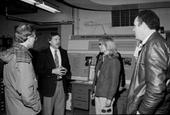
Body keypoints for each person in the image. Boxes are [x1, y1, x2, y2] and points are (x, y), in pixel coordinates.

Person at [126, 10, 170, 114]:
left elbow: (156, 89)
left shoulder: (154, 44)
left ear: (143, 25)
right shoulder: (155, 42)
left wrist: (142, 112)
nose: (133, 29)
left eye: (135, 25)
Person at [0, 23, 41, 115]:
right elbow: (26, 92)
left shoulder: (11, 52)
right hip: (24, 109)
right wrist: (36, 105)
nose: (35, 40)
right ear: (29, 37)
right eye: (35, 37)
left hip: (13, 105)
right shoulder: (23, 58)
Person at [36, 32, 71, 115]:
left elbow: (68, 68)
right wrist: (52, 71)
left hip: (62, 85)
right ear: (49, 41)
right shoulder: (42, 53)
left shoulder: (64, 52)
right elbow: (38, 70)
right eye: (55, 39)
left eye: (59, 39)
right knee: (47, 111)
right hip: (48, 87)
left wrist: (66, 70)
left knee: (60, 111)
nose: (58, 41)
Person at [92, 37, 121, 114]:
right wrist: (93, 91)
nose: (99, 46)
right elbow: (97, 78)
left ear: (107, 45)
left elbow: (114, 82)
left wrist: (110, 98)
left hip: (106, 95)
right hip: (98, 94)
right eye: (99, 44)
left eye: (101, 44)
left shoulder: (114, 61)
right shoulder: (101, 59)